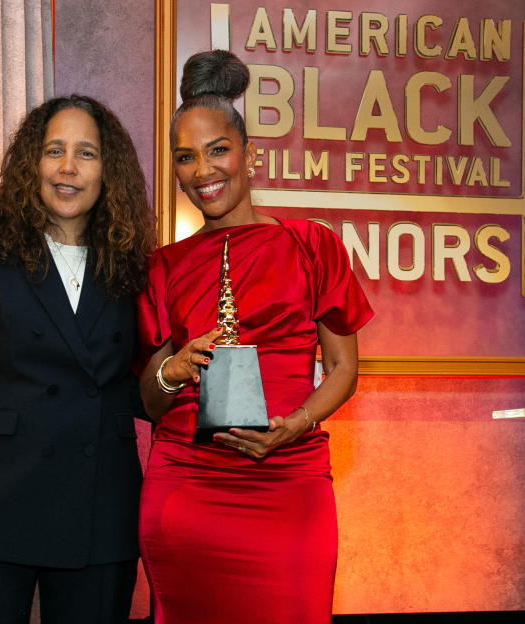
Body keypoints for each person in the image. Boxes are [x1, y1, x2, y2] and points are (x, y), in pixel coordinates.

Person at [136, 50, 374, 623]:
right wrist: (173, 368)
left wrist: (300, 423)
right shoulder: (162, 266)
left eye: (218, 149)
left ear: (249, 154)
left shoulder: (311, 245)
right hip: (187, 485)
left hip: (289, 483)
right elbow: (147, 400)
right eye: (185, 157)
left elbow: (343, 368)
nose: (203, 170)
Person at [0, 95, 154, 623]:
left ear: (107, 171)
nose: (68, 167)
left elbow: (141, 385)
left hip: (99, 517)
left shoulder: (133, 266)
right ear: (33, 164)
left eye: (86, 153)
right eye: (55, 150)